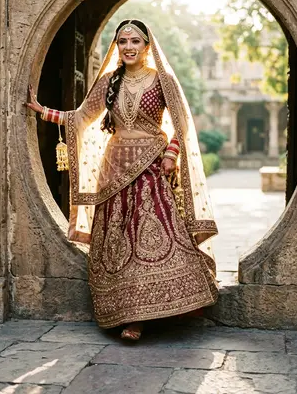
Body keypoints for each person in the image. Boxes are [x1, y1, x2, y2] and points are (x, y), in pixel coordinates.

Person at [27, 19, 218, 340]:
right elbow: (81, 117)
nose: (128, 47)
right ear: (118, 47)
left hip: (152, 170)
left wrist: (170, 154)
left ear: (147, 46)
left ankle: (157, 309)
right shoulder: (108, 82)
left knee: (150, 237)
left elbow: (181, 126)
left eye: (135, 41)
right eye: (123, 41)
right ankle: (128, 315)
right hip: (114, 169)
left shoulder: (162, 81)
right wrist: (42, 110)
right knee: (118, 242)